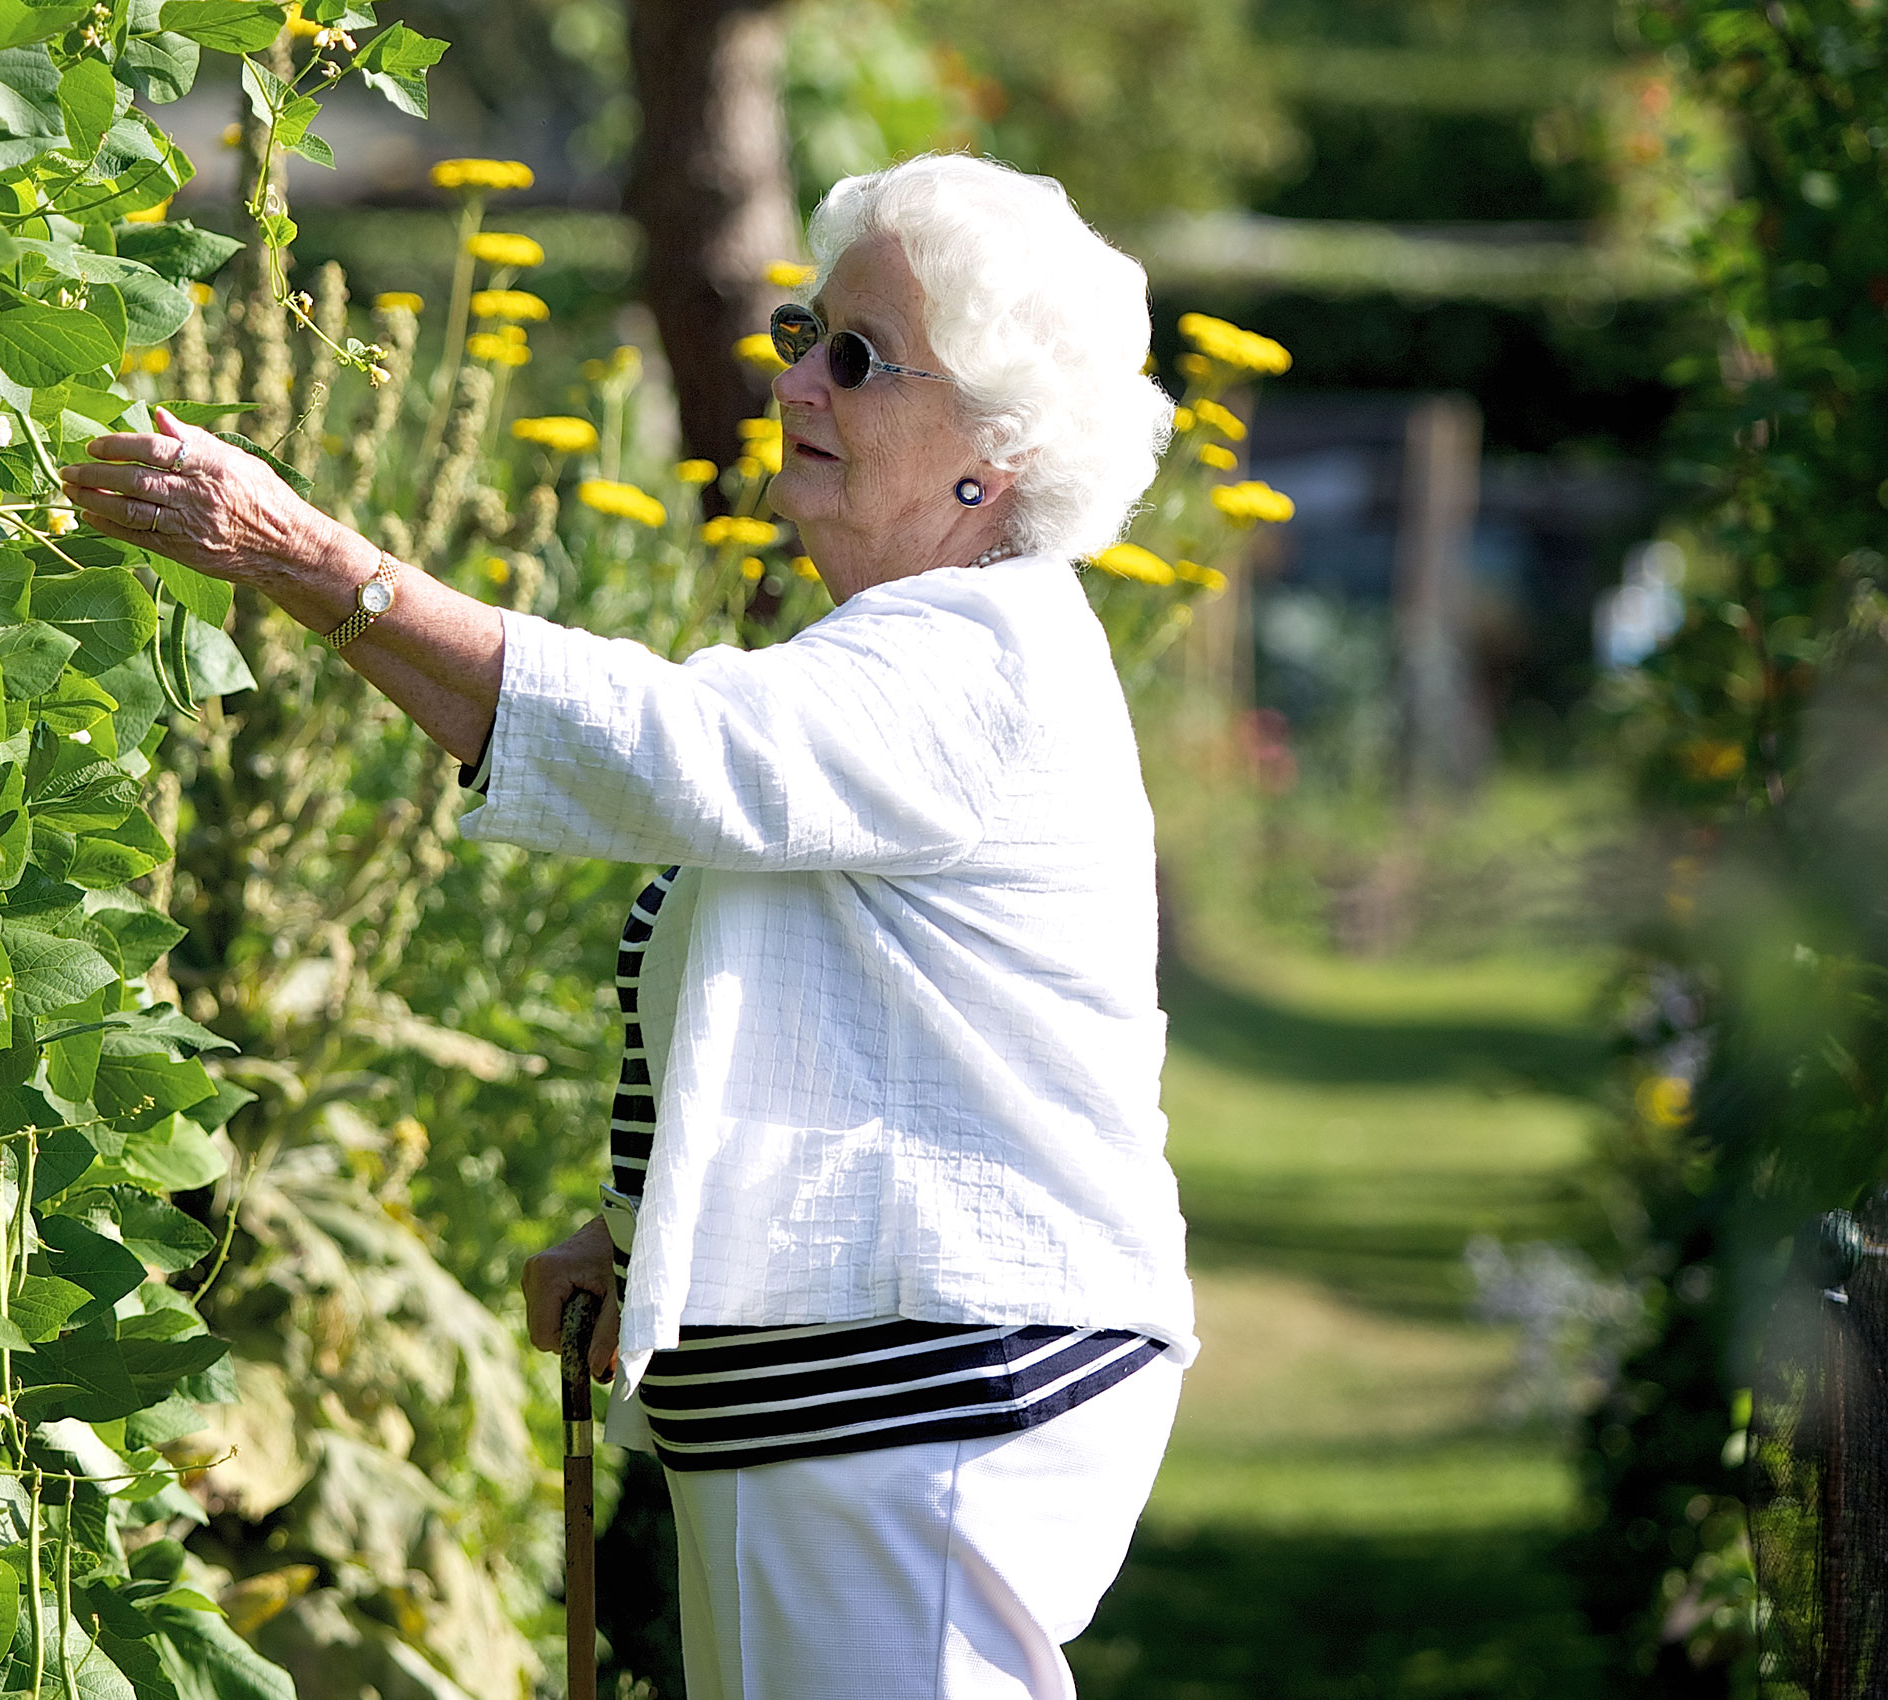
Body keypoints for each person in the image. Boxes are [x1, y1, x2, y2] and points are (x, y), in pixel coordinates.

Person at [61, 152, 1195, 1700]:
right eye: (804, 330)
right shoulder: (922, 652)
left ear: (987, 459)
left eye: (856, 358)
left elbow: (670, 752)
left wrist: (305, 556)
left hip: (927, 1389)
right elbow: (849, 1014)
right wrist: (652, 1228)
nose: (798, 373)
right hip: (861, 1382)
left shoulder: (975, 661)